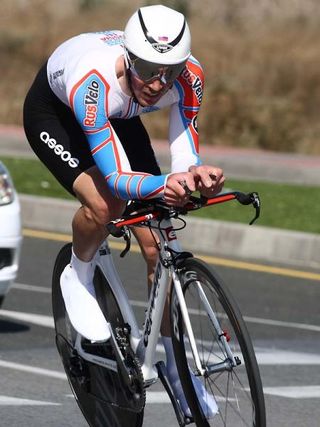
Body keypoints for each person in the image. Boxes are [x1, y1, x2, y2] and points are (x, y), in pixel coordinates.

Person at [23, 4, 223, 418]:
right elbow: (116, 178)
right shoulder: (94, 81)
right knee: (106, 203)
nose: (157, 82)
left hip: (118, 113)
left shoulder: (188, 77)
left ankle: (178, 369)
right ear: (130, 57)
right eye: (148, 68)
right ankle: (77, 273)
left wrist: (192, 177)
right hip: (57, 112)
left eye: (169, 71)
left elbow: (184, 146)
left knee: (159, 240)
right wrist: (161, 184)